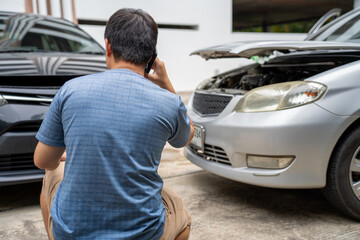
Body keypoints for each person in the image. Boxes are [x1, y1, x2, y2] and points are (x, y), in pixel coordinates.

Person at [34, 8, 194, 240]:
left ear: (108, 46)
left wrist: (69, 155)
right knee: (181, 214)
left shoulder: (71, 89)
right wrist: (166, 83)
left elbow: (42, 161)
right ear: (151, 58)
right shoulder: (169, 102)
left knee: (52, 175)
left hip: (72, 233)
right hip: (143, 233)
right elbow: (185, 138)